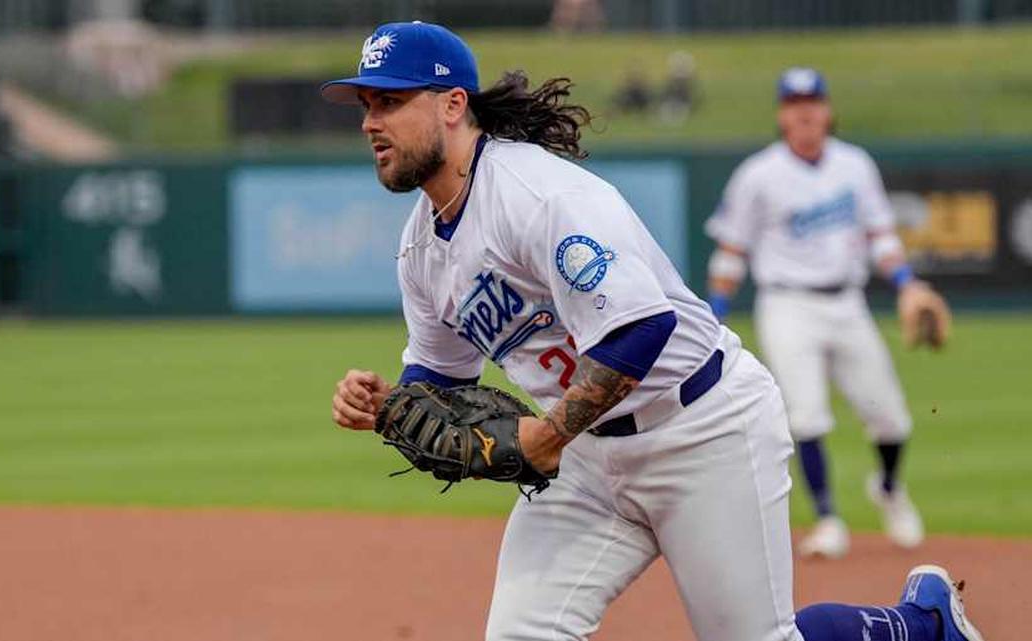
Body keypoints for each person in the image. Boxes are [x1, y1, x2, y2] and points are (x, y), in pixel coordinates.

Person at [325, 23, 983, 641]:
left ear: (452, 105)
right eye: (366, 105)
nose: (370, 122)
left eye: (390, 101)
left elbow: (641, 329)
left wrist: (547, 437)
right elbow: (440, 374)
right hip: (586, 460)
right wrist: (387, 403)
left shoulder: (537, 196)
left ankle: (922, 622)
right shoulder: (420, 248)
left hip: (701, 428)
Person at [705, 67, 945, 560]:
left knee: (891, 420)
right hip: (787, 304)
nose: (805, 113)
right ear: (782, 115)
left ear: (827, 111)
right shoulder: (758, 174)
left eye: (812, 103)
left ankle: (888, 488)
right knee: (807, 415)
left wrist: (906, 282)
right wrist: (716, 314)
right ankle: (829, 519)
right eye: (795, 105)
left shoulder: (855, 165)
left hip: (848, 302)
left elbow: (881, 236)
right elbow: (731, 252)